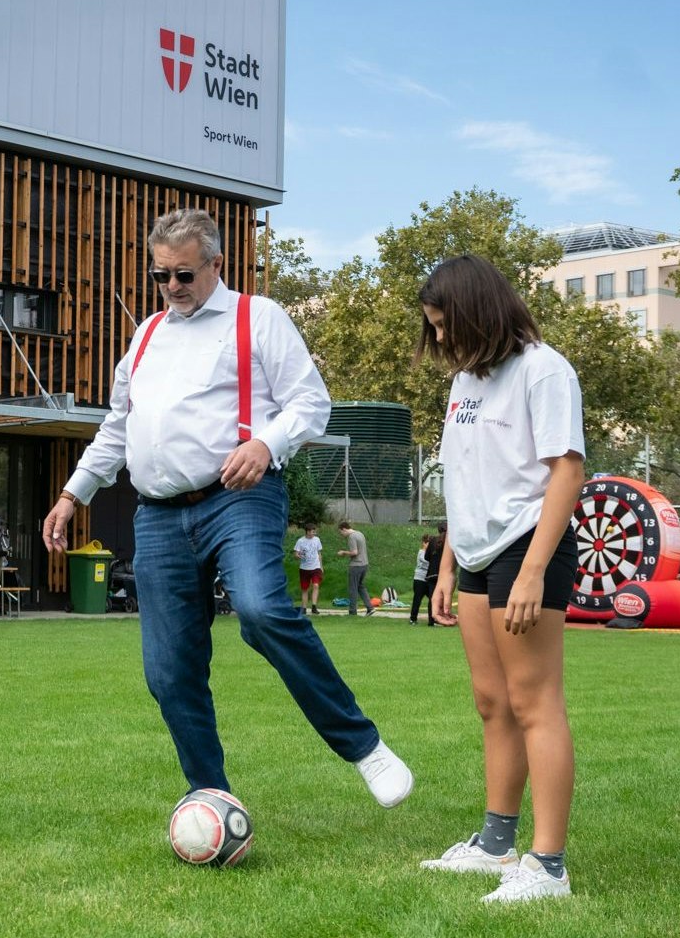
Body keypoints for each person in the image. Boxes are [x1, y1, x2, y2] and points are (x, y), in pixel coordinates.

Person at [40, 207, 411, 815]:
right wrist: (72, 493)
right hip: (157, 515)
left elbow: (310, 403)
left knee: (262, 609)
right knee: (167, 669)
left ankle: (362, 745)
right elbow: (117, 428)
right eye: (160, 276)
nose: (172, 288)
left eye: (184, 274)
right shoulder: (146, 336)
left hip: (237, 498)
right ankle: (210, 795)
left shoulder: (257, 318)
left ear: (216, 263)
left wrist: (267, 443)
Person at [415, 254, 586, 904]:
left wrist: (535, 571)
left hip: (527, 547)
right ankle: (495, 845)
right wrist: (448, 567)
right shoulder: (465, 381)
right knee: (492, 704)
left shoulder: (544, 371)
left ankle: (547, 866)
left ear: (478, 312)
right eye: (432, 327)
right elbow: (465, 478)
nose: (438, 339)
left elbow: (566, 472)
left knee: (534, 703)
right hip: (479, 555)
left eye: (443, 324)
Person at [335, 519, 374, 617]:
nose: (341, 535)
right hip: (364, 564)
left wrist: (343, 552)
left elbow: (354, 552)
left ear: (344, 529)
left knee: (353, 589)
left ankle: (352, 612)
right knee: (361, 586)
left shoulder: (351, 537)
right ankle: (370, 608)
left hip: (356, 565)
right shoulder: (360, 533)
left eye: (341, 532)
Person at [292, 522, 324, 615]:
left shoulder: (317, 540)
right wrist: (298, 556)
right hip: (304, 568)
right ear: (307, 532)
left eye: (314, 531)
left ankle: (314, 606)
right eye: (312, 531)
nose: (314, 533)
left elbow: (319, 553)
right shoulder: (300, 541)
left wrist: (321, 566)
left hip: (315, 567)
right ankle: (304, 608)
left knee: (316, 585)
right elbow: (296, 554)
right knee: (305, 589)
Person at [408, 532, 434, 626]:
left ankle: (433, 619)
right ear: (423, 543)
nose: (429, 545)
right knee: (417, 600)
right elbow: (426, 561)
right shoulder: (421, 553)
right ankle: (413, 618)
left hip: (428, 580)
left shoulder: (430, 553)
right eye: (427, 542)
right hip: (419, 579)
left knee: (433, 599)